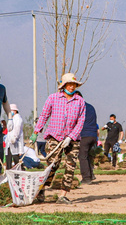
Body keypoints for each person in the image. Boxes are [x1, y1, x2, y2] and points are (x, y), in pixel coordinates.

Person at [33, 72, 86, 204]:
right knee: (53, 165)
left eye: (74, 84)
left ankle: (63, 195)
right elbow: (44, 115)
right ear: (64, 85)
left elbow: (80, 122)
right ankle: (41, 189)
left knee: (70, 166)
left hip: (73, 139)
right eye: (69, 84)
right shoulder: (53, 98)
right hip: (54, 137)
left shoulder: (80, 101)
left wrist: (70, 137)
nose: (72, 87)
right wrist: (36, 132)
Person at [77, 92, 98, 184]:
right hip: (93, 135)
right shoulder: (90, 106)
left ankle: (86, 178)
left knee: (82, 156)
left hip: (84, 135)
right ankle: (91, 175)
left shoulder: (78, 107)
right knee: (86, 156)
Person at [5, 104, 25, 168]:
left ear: (15, 111)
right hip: (9, 141)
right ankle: (8, 169)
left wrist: (15, 137)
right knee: (8, 156)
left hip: (15, 141)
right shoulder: (11, 119)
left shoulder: (18, 118)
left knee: (15, 156)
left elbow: (17, 128)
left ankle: (20, 169)